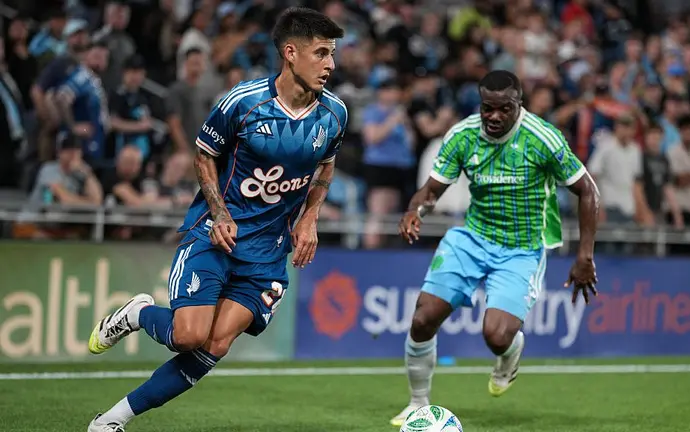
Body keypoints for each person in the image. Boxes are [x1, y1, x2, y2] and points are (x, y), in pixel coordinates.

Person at [86, 8, 347, 431]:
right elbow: (204, 155)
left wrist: (310, 217)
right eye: (321, 53)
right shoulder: (243, 102)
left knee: (216, 344)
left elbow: (326, 166)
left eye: (332, 54)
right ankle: (138, 313)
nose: (330, 64)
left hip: (267, 254)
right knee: (188, 336)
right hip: (216, 236)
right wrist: (221, 213)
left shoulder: (334, 114)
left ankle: (110, 422)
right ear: (290, 53)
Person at [391, 70, 600, 426]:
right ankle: (417, 404)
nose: (495, 116)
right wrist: (415, 211)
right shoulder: (462, 136)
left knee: (497, 335)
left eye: (505, 108)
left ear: (519, 104)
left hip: (522, 248)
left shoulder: (543, 139)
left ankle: (510, 352)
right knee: (423, 318)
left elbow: (587, 191)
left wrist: (585, 256)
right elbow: (431, 191)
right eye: (488, 107)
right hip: (472, 238)